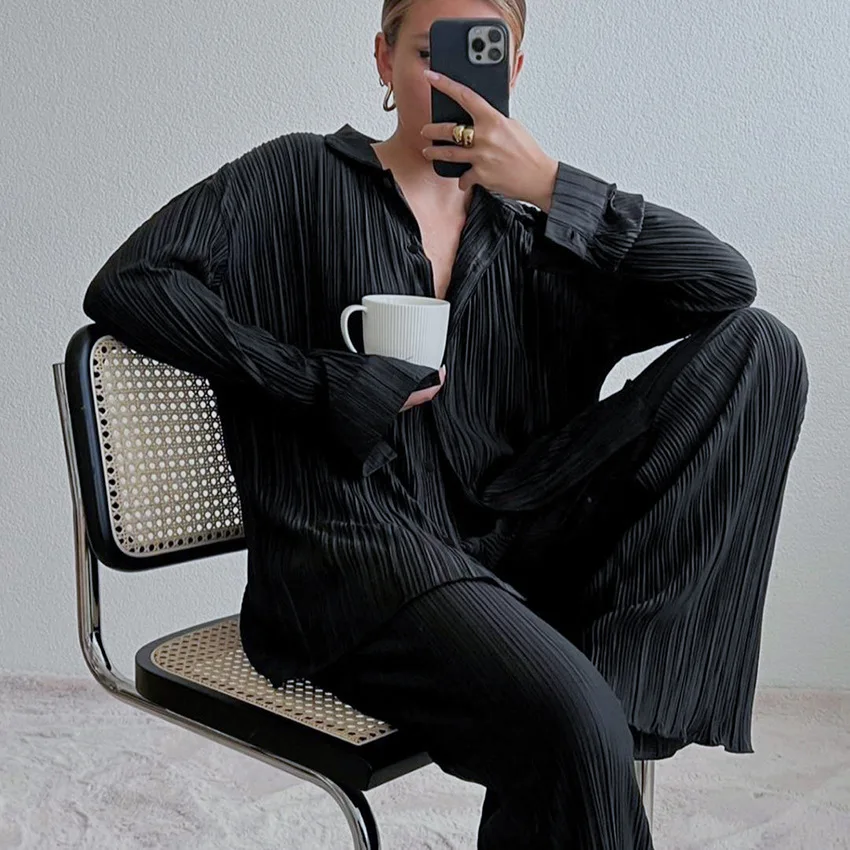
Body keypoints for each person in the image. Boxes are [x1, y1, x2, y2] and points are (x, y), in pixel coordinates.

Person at [81, 0, 809, 846]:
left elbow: (723, 285)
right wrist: (315, 381)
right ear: (383, 60)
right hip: (359, 556)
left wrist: (552, 185)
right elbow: (130, 283)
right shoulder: (298, 177)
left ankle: (600, 705)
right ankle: (587, 721)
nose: (451, 79)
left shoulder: (536, 230)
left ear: (515, 70)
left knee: (763, 349)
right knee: (575, 724)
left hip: (513, 545)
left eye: (481, 53)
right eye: (430, 51)